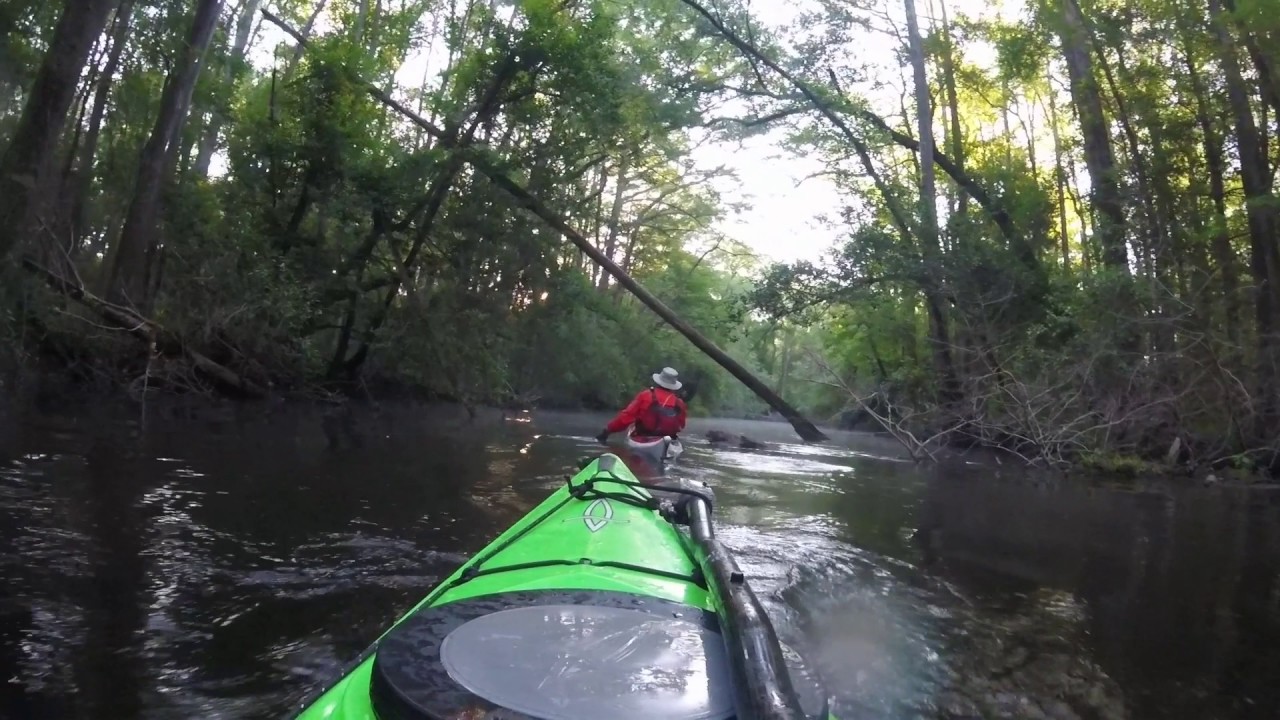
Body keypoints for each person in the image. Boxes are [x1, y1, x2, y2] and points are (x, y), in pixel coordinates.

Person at [596, 367, 688, 445]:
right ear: (673, 385)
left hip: (644, 438)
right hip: (668, 441)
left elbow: (625, 418)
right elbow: (681, 425)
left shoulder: (645, 395)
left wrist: (608, 430)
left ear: (658, 381)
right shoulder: (679, 402)